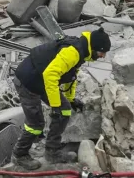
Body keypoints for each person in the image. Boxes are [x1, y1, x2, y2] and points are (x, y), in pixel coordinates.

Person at [11, 28, 112, 169]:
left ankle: (52, 152)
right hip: (28, 81)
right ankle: (19, 155)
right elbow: (50, 75)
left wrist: (70, 99)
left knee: (64, 109)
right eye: (102, 52)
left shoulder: (82, 50)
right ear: (94, 48)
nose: (103, 56)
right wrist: (55, 104)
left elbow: (71, 75)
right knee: (36, 124)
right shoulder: (73, 52)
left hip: (41, 80)